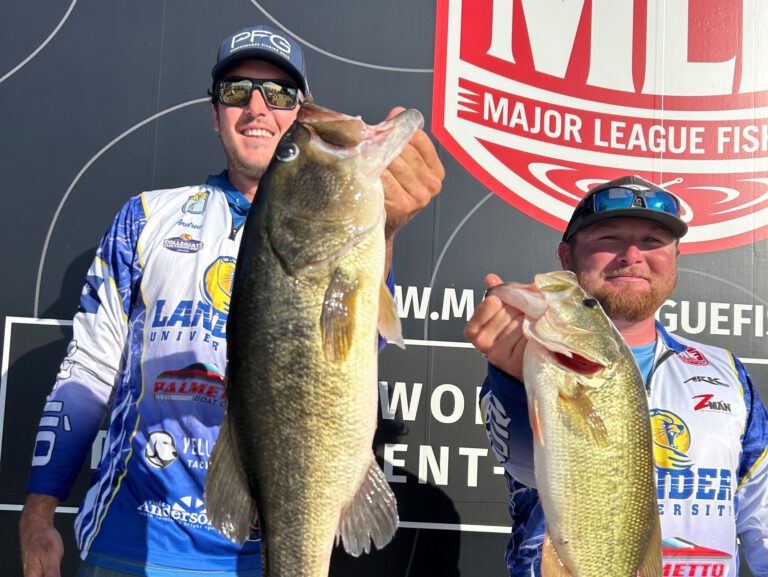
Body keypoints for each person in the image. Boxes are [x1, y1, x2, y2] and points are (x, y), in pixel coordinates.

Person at [19, 24, 444, 577]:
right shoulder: (146, 218)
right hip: (131, 543)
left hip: (270, 550)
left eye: (280, 94)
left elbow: (346, 361)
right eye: (236, 91)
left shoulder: (356, 228)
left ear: (302, 113)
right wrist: (37, 516)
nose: (257, 108)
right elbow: (88, 371)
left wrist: (384, 232)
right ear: (214, 112)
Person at [464, 175, 768, 577]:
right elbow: (524, 463)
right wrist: (510, 377)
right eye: (608, 238)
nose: (631, 255)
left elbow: (760, 510)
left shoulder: (726, 371)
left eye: (652, 242)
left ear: (675, 258)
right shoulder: (528, 361)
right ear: (566, 256)